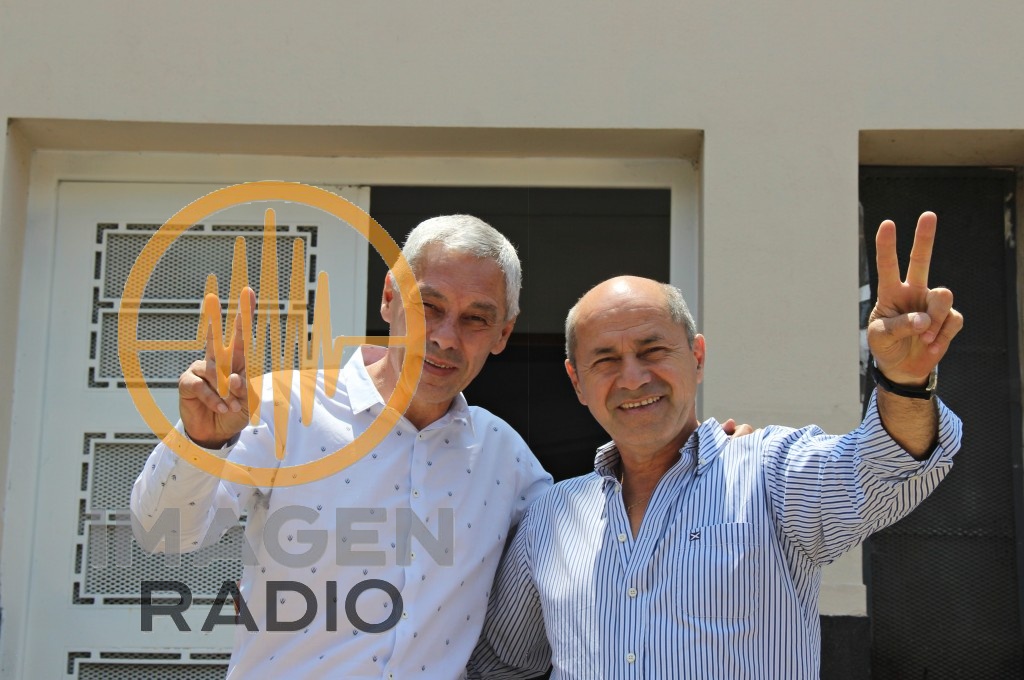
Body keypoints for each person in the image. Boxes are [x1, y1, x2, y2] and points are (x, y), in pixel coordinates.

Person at [469, 211, 964, 679]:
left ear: (697, 357)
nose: (633, 378)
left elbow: (885, 467)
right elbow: (503, 666)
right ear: (577, 381)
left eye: (652, 350)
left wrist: (903, 383)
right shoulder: (548, 520)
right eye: (606, 360)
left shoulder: (771, 473)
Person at [131, 215, 555, 678]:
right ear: (390, 298)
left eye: (475, 318)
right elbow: (164, 534)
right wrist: (201, 441)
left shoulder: (507, 459)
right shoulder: (283, 407)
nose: (444, 337)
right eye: (428, 306)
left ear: (503, 334)